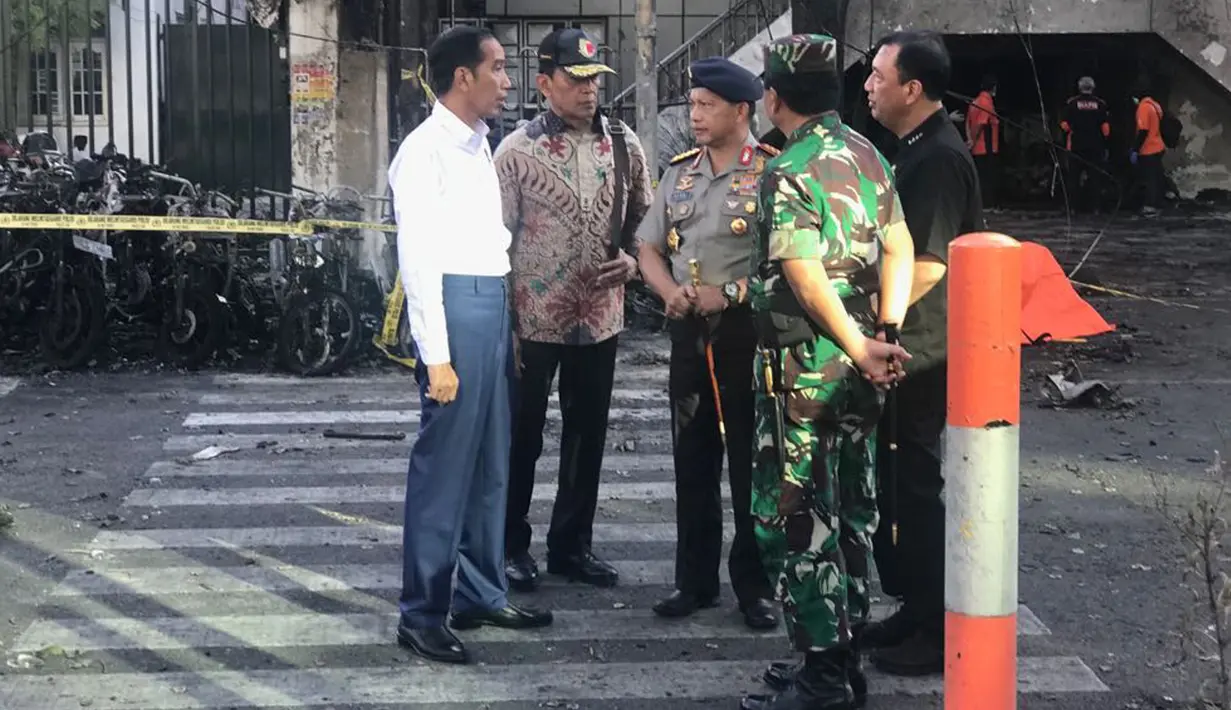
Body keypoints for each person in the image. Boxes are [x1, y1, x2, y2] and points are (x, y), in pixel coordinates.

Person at [740, 33, 914, 710]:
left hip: (801, 369)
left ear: (773, 97)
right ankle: (841, 656)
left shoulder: (790, 168)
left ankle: (821, 674)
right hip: (860, 364)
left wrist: (853, 340)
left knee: (791, 514)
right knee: (849, 508)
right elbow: (899, 243)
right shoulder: (868, 155)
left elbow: (801, 271)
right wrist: (883, 334)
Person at [389, 25, 553, 666]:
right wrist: (437, 356)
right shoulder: (425, 150)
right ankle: (422, 611)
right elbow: (419, 260)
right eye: (499, 68)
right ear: (464, 77)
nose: (506, 81)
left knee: (491, 462)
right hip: (454, 309)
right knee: (444, 471)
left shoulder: (475, 144)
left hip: (490, 304)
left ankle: (481, 592)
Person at [494, 27, 652, 592]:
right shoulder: (515, 151)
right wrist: (502, 323)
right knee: (522, 437)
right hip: (532, 320)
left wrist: (635, 262)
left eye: (594, 80)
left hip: (599, 318)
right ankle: (510, 545)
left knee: (587, 436)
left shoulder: (625, 145)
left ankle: (571, 546)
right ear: (544, 84)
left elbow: (646, 227)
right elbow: (495, 240)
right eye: (575, 79)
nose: (588, 91)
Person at [634, 56, 778, 630]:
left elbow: (788, 266)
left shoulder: (772, 172)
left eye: (706, 105)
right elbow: (648, 246)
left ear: (741, 112)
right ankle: (693, 582)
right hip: (689, 333)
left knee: (750, 461)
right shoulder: (679, 173)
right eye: (692, 104)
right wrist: (667, 290)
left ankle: (755, 587)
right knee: (692, 459)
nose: (694, 115)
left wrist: (733, 292)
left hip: (747, 334)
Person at [860, 29, 984, 677]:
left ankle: (936, 629)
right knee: (898, 485)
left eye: (878, 76)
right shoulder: (911, 148)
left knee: (915, 486)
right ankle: (913, 608)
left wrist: (880, 331)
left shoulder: (936, 158)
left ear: (912, 88)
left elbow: (928, 264)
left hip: (922, 348)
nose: (868, 86)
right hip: (908, 343)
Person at [1059, 76, 1111, 212]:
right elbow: (1106, 130)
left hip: (1076, 145)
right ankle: (1095, 208)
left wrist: (1073, 131)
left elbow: (1064, 125)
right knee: (1095, 178)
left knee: (1074, 178)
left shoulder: (1072, 103)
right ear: (1093, 88)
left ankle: (1073, 208)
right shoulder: (1100, 104)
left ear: (1079, 87)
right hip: (1095, 147)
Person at [1131, 81, 1167, 214]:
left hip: (1148, 148)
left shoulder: (1143, 107)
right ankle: (1158, 204)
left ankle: (1150, 206)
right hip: (1158, 145)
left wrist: (1135, 149)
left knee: (1149, 178)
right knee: (1157, 177)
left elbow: (1143, 130)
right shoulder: (1155, 105)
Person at [965, 73, 999, 207]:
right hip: (986, 146)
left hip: (977, 147)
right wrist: (973, 140)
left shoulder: (975, 101)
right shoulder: (986, 102)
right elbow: (981, 123)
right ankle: (988, 205)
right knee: (988, 178)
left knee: (980, 177)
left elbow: (968, 122)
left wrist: (969, 140)